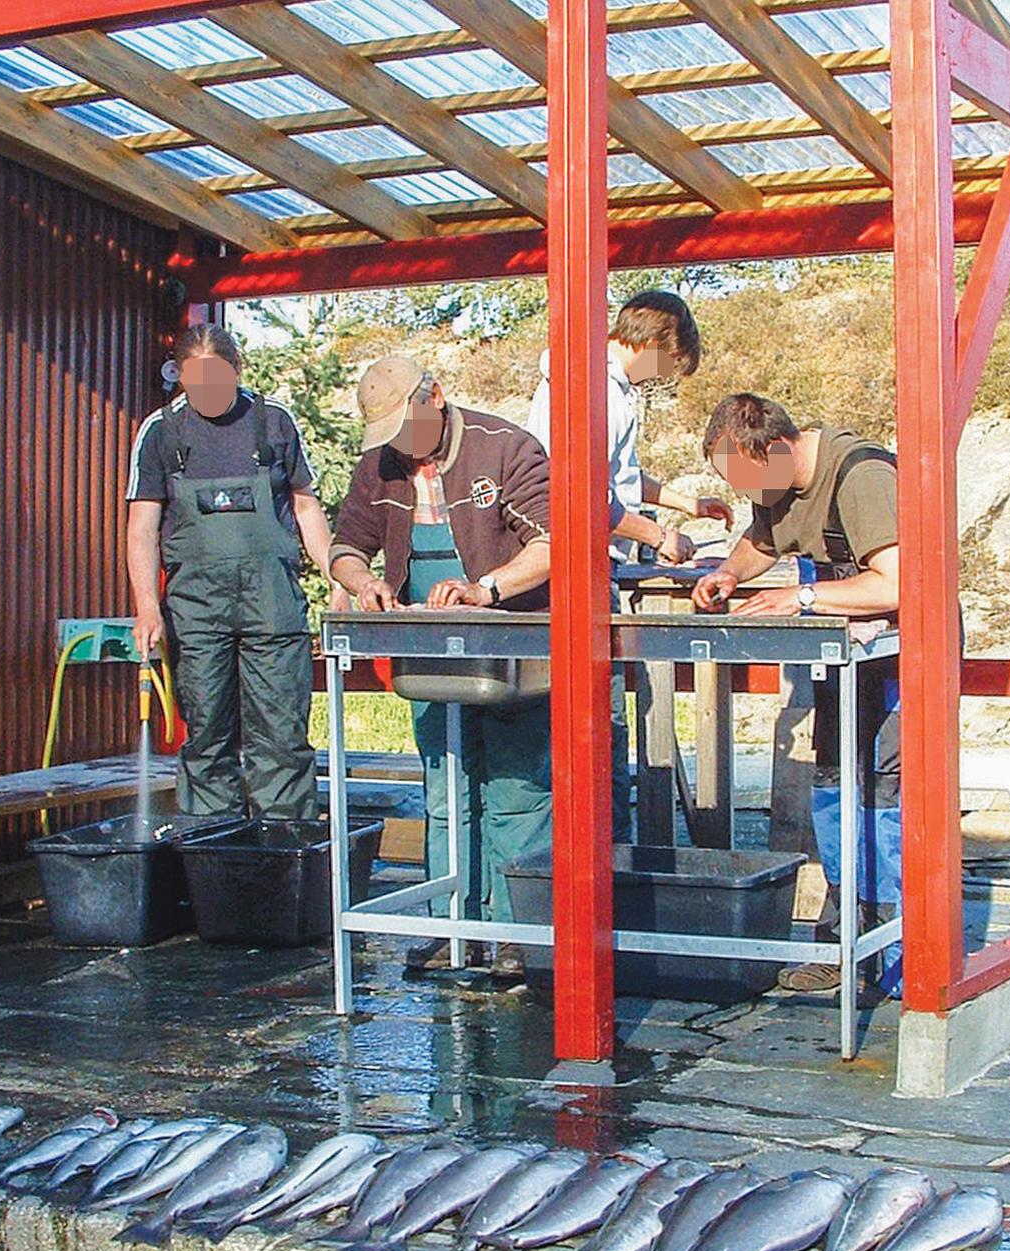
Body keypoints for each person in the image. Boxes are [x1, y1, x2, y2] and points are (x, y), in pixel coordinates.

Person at [330, 356, 555, 980]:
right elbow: (346, 547)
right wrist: (364, 582)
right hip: (427, 657)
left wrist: (487, 588)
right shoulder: (377, 467)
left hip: (512, 651)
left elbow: (554, 542)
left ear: (435, 397)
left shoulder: (505, 447)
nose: (401, 444)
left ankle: (517, 931)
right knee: (445, 791)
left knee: (516, 792)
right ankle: (449, 926)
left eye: (407, 427)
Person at [692, 394, 903, 996]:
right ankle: (842, 944)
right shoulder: (775, 485)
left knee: (885, 798)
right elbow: (762, 540)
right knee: (834, 790)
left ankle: (898, 956)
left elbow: (897, 583)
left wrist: (802, 597)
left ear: (777, 449)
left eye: (747, 479)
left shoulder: (862, 477)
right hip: (846, 658)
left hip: (899, 661)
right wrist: (729, 573)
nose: (746, 495)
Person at [526, 290, 734, 838]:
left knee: (604, 717)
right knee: (603, 719)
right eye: (669, 363)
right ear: (654, 342)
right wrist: (659, 535)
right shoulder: (596, 392)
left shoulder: (605, 389)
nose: (664, 377)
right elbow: (585, 495)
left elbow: (620, 477)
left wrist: (686, 504)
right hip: (580, 572)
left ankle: (605, 842)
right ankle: (606, 849)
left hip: (595, 563)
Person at [125, 325, 334, 823]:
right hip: (196, 613)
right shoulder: (161, 432)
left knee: (281, 738)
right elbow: (142, 528)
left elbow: (306, 508)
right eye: (196, 384)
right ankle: (212, 852)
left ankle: (283, 847)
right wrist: (147, 607)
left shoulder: (273, 421)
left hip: (273, 606)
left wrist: (337, 578)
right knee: (206, 738)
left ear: (237, 370)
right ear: (180, 378)